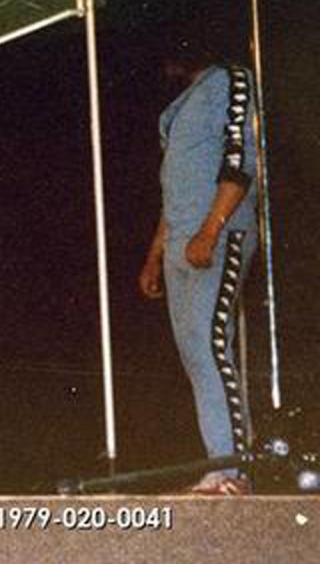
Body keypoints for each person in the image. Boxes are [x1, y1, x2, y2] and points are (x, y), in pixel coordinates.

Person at [138, 55, 259, 495]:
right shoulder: (178, 108)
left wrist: (211, 230)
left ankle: (233, 468)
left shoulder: (229, 81)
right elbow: (173, 192)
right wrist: (155, 256)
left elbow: (240, 159)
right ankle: (220, 464)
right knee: (198, 356)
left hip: (219, 232)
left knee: (211, 346)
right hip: (181, 242)